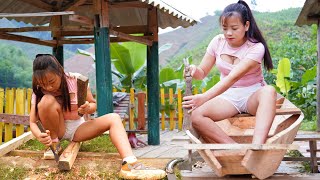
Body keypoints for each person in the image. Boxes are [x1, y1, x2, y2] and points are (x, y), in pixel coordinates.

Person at [29, 54, 166, 179]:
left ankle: (130, 163)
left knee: (114, 118)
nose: (48, 87)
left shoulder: (76, 80)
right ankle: (54, 144)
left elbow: (93, 105)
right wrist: (39, 136)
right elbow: (33, 122)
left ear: (60, 72)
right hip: (56, 131)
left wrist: (88, 107)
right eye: (43, 84)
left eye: (51, 82)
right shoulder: (38, 91)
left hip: (78, 127)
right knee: (46, 100)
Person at [182, 0, 276, 145]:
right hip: (228, 97)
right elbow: (202, 73)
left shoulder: (256, 47)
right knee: (196, 116)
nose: (228, 33)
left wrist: (204, 97)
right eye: (225, 28)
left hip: (252, 95)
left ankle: (257, 146)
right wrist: (194, 70)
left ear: (246, 25)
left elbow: (233, 77)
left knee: (269, 91)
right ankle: (234, 148)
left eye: (234, 28)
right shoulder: (217, 42)